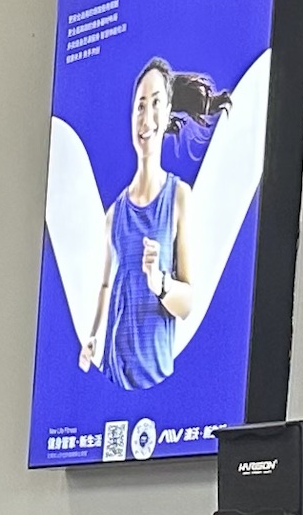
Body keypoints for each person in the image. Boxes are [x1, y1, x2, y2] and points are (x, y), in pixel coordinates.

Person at [77, 59, 208, 390]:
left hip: (156, 378)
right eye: (140, 105)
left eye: (156, 103)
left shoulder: (179, 197)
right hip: (113, 372)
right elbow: (105, 286)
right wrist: (92, 337)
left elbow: (187, 304)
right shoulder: (114, 214)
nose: (146, 118)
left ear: (168, 113)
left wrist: (160, 283)